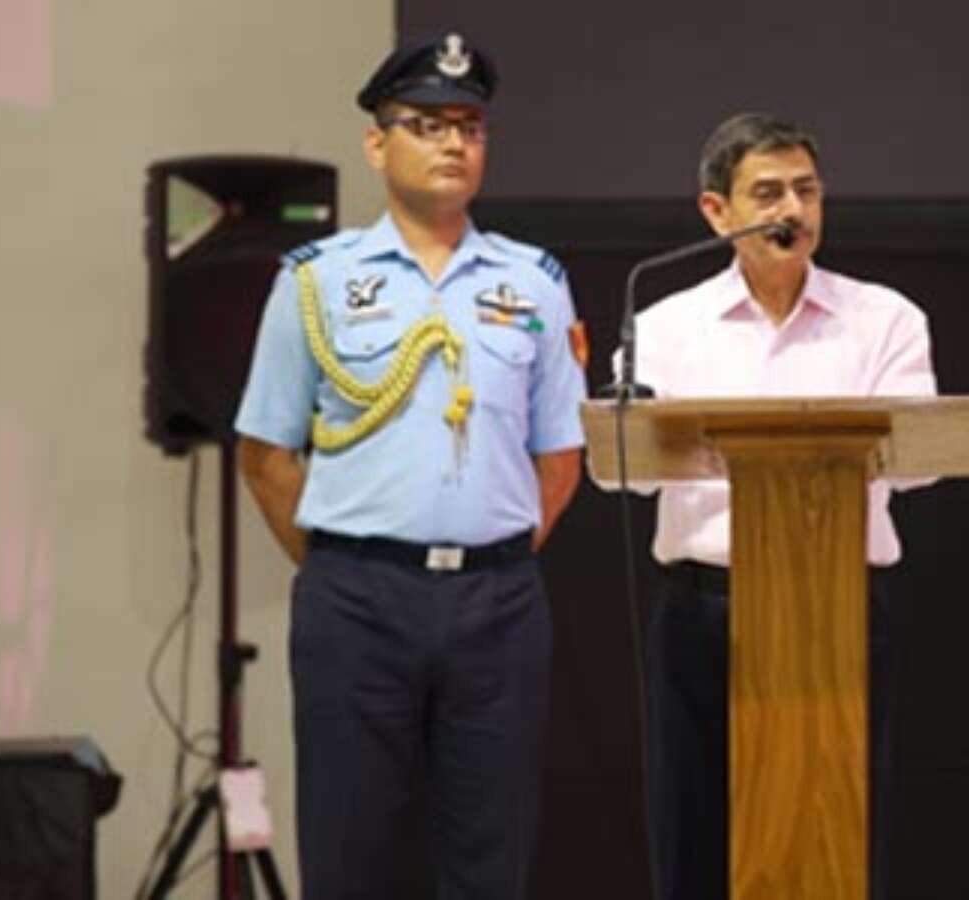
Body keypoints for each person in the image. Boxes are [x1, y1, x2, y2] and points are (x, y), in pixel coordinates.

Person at [233, 32, 586, 899]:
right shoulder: (315, 281)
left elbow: (560, 456)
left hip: (497, 603)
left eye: (469, 126)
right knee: (351, 854)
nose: (454, 143)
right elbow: (266, 453)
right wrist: (346, 563)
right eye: (428, 125)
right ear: (376, 143)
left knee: (489, 855)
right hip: (359, 601)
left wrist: (489, 551)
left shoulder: (535, 283)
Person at [618, 112, 938, 900]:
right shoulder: (664, 327)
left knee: (840, 831)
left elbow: (921, 462)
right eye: (768, 193)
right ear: (716, 211)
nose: (792, 210)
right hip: (705, 609)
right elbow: (622, 473)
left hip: (840, 605)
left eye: (806, 191)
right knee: (695, 830)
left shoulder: (886, 319)